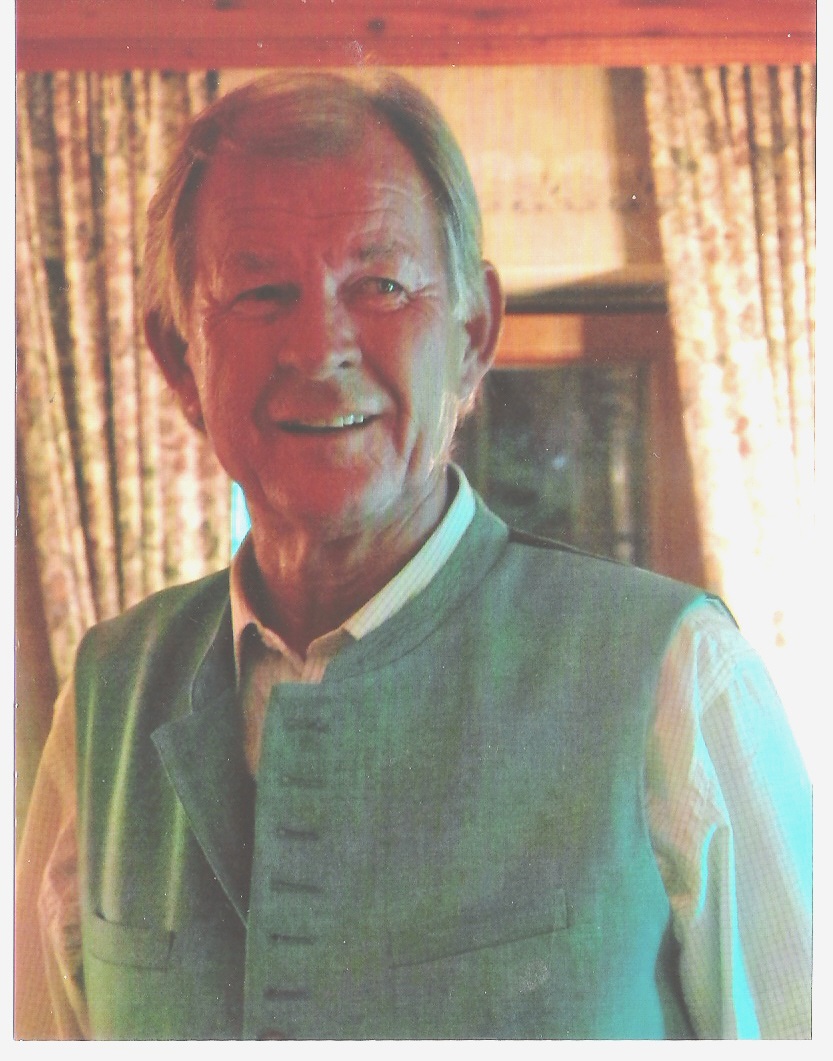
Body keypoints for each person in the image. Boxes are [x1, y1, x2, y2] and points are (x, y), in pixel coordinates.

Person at [15, 71, 811, 1041]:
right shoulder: (106, 698)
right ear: (179, 358)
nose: (320, 346)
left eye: (381, 285)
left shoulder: (677, 674)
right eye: (261, 292)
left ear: (472, 335)